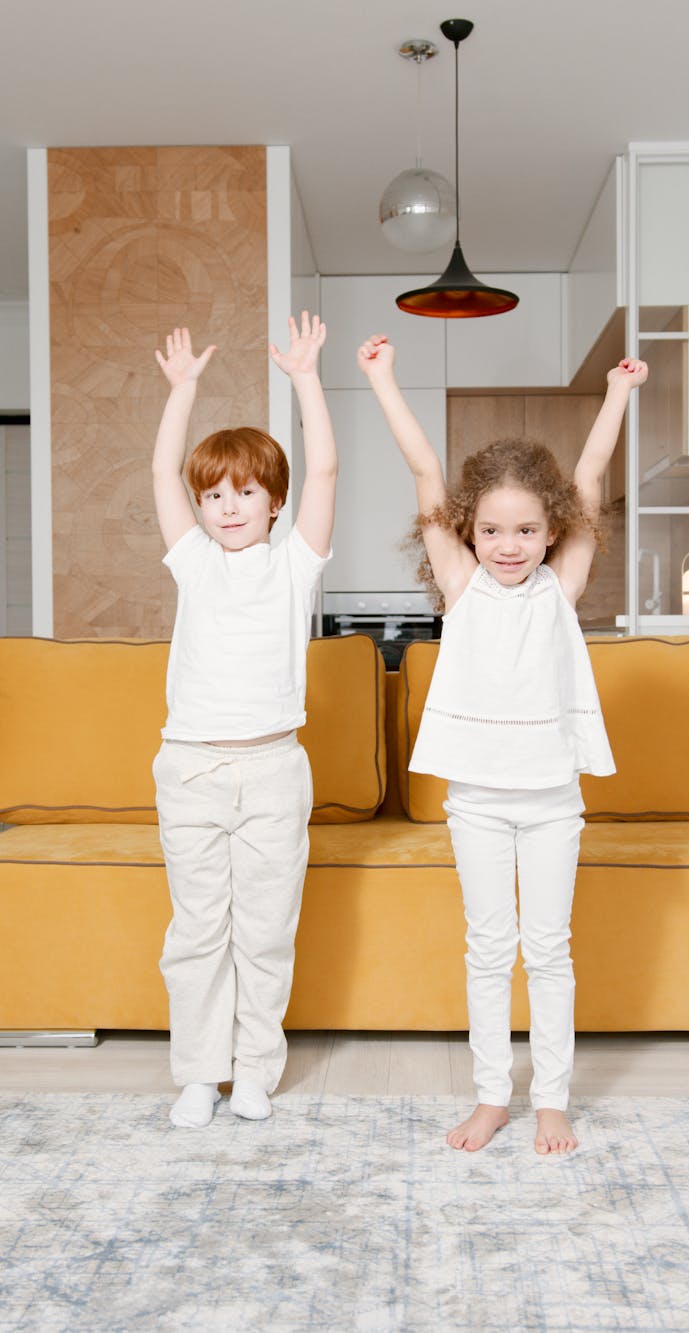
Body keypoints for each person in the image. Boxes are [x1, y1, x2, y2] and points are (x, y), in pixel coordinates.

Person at [358, 333, 647, 1155]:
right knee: (489, 949)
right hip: (478, 802)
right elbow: (423, 472)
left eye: (526, 530)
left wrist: (618, 396)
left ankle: (550, 1098)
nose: (509, 545)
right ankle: (493, 1095)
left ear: (552, 531)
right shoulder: (461, 584)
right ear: (468, 531)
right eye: (492, 530)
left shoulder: (564, 584)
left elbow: (590, 480)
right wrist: (383, 377)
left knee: (548, 949)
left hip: (553, 799)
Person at [152, 314, 336, 1128]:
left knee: (264, 931)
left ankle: (255, 1069)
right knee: (197, 930)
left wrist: (305, 379)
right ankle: (199, 1071)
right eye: (214, 495)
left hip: (271, 768)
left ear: (273, 502)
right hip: (191, 767)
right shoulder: (193, 563)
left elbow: (326, 467)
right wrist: (183, 391)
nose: (228, 507)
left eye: (246, 492)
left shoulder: (294, 566)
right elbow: (161, 471)